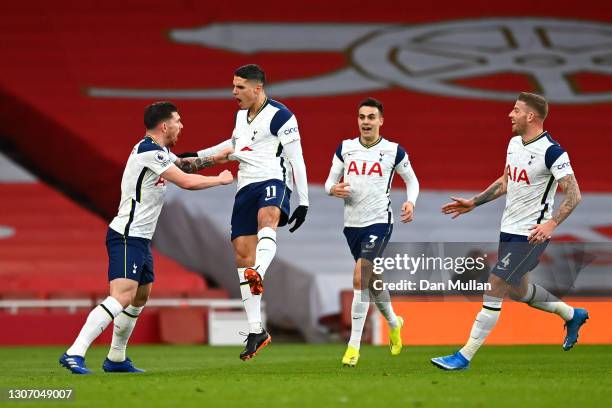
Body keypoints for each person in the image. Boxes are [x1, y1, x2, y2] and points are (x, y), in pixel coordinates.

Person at [59, 102, 233, 374]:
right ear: (164, 125)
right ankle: (75, 352)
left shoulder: (158, 152)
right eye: (178, 120)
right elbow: (186, 181)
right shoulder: (147, 151)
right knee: (121, 296)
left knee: (140, 296)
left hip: (141, 238)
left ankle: (116, 358)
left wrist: (220, 154)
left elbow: (186, 163)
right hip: (128, 235)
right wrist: (218, 179)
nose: (181, 125)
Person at [431, 92, 588, 371]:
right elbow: (505, 182)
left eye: (516, 110)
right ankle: (571, 314)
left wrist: (550, 224)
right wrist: (474, 202)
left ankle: (463, 356)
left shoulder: (552, 152)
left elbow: (574, 194)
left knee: (495, 285)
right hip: (508, 230)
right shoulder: (515, 143)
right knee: (519, 291)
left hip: (531, 235)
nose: (510, 114)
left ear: (531, 116)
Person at [194, 64, 309, 360]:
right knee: (242, 253)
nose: (233, 92)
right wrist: (198, 157)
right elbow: (233, 145)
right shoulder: (240, 116)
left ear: (257, 88)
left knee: (266, 220)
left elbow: (297, 159)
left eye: (239, 87)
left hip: (273, 180)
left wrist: (304, 200)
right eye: (233, 86)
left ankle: (259, 272)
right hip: (245, 187)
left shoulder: (281, 115)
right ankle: (256, 329)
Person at [325, 97, 419, 367]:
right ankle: (394, 322)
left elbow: (412, 180)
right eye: (362, 117)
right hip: (352, 224)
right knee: (372, 278)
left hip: (380, 221)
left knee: (360, 274)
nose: (366, 122)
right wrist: (333, 189)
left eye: (371, 117)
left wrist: (411, 201)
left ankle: (353, 347)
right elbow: (330, 181)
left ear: (381, 121)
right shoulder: (345, 148)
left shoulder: (393, 151)